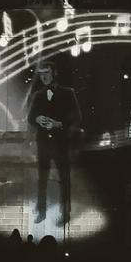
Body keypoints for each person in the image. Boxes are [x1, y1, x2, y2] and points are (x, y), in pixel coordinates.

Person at [28, 61, 81, 226]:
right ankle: (41, 212)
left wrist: (58, 124)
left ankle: (65, 213)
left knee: (64, 178)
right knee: (42, 179)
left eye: (47, 72)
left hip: (61, 143)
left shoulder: (68, 93)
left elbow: (77, 117)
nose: (44, 76)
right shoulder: (38, 95)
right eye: (41, 73)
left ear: (54, 73)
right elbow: (30, 118)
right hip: (43, 143)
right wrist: (37, 119)